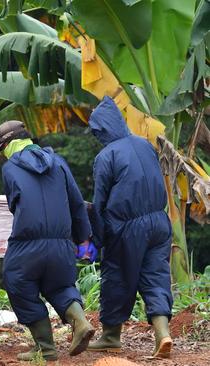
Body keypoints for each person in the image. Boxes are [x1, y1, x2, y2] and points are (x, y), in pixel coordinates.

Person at [0, 120, 95, 361]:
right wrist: (84, 241)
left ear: (8, 144)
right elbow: (76, 203)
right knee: (59, 285)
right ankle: (80, 322)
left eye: (3, 149)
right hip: (62, 243)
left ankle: (46, 347)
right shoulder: (59, 163)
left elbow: (13, 205)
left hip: (27, 243)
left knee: (16, 280)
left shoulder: (9, 169)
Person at [86, 96, 173, 358]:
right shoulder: (145, 145)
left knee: (117, 277)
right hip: (160, 222)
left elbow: (100, 203)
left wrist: (98, 240)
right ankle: (163, 334)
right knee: (155, 276)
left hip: (127, 227)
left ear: (102, 128)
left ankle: (111, 336)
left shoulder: (106, 156)